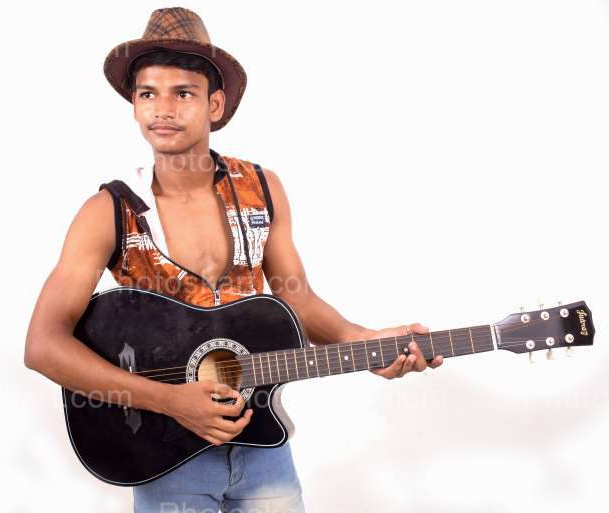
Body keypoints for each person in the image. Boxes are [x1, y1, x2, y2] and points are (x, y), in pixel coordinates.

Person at [24, 7, 443, 513]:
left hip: (263, 443)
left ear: (215, 104)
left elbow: (297, 299)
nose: (163, 109)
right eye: (147, 94)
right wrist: (171, 400)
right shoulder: (109, 212)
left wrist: (367, 342)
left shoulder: (262, 190)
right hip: (163, 455)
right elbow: (43, 346)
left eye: (183, 93)